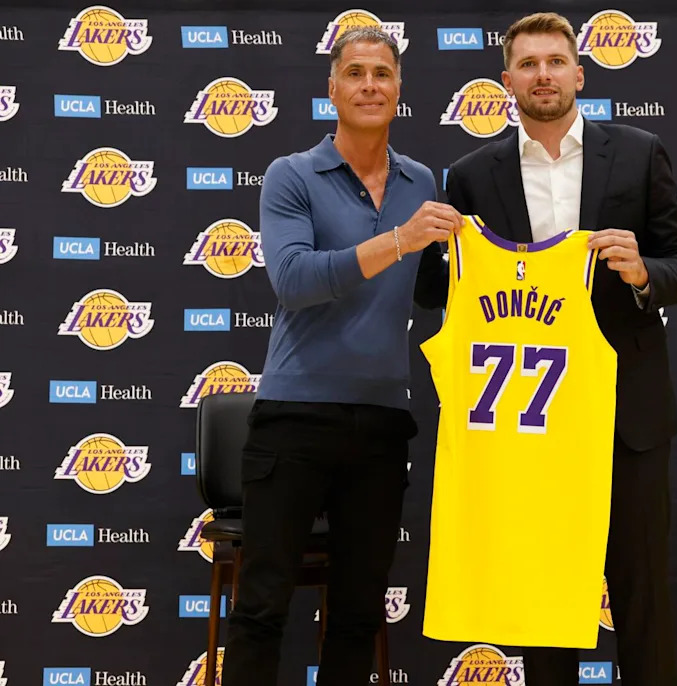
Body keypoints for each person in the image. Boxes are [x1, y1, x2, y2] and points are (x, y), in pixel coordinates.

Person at [441, 12, 677, 686]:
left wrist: (644, 272)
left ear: (579, 73)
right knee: (544, 606)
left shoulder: (641, 152)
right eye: (528, 64)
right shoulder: (471, 174)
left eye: (555, 61)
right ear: (507, 81)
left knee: (641, 595)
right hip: (534, 427)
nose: (543, 75)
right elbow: (444, 292)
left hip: (628, 416)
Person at [220, 27, 459, 686]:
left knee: (358, 612)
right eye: (354, 73)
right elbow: (294, 281)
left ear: (399, 90)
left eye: (382, 73)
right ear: (332, 89)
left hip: (383, 423)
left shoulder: (422, 182)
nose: (369, 85)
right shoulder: (290, 175)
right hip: (293, 419)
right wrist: (400, 240)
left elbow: (440, 291)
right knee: (263, 603)